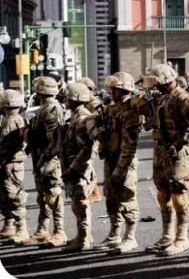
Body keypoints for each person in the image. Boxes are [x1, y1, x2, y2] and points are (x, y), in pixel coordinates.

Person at [144, 63, 189, 256]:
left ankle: (182, 238)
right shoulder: (162, 97)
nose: (156, 88)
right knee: (162, 194)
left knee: (179, 195)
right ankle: (167, 236)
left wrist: (179, 143)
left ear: (167, 81)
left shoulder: (184, 98)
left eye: (158, 84)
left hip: (177, 153)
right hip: (160, 150)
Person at [90, 72, 141, 254]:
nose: (112, 92)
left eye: (116, 89)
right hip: (111, 158)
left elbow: (130, 145)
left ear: (124, 89)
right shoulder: (111, 109)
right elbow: (93, 120)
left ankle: (130, 237)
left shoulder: (129, 112)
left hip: (124, 161)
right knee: (111, 198)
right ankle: (114, 235)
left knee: (127, 198)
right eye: (111, 88)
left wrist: (121, 168)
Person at [20, 76, 67, 246]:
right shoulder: (43, 109)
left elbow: (55, 140)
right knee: (43, 196)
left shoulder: (52, 109)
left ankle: (60, 232)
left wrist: (46, 159)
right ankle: (42, 230)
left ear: (39, 91)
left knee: (53, 196)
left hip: (49, 159)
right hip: (41, 158)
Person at [60, 82, 97, 252]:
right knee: (78, 204)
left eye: (68, 97)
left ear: (76, 99)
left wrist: (73, 168)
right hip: (76, 167)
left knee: (80, 204)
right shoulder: (76, 115)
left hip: (80, 169)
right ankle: (83, 236)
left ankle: (83, 240)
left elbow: (87, 149)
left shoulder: (82, 118)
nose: (65, 99)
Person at [0, 90, 29, 244]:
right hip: (10, 163)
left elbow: (6, 146)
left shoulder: (11, 120)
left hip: (11, 163)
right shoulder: (14, 118)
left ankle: (22, 228)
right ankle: (9, 225)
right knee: (5, 194)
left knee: (13, 195)